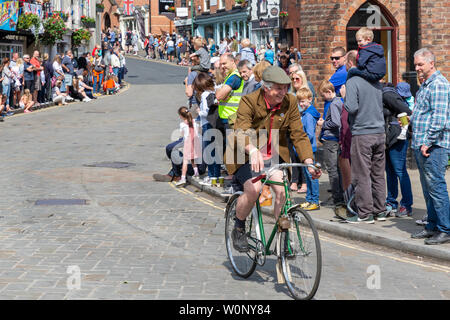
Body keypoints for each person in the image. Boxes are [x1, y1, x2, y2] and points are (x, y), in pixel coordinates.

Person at [225, 66, 321, 252]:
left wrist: (309, 162)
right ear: (266, 88)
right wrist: (252, 150)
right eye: (279, 88)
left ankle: (282, 236)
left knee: (283, 191)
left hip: (273, 155)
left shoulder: (290, 101)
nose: (283, 92)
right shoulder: (249, 101)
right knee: (254, 190)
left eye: (286, 87)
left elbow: (298, 135)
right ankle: (238, 227)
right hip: (243, 153)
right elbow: (241, 130)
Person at [410, 48, 450, 245]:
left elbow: (440, 119)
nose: (417, 68)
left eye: (420, 64)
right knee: (427, 189)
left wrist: (428, 142)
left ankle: (445, 228)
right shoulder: (426, 85)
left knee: (436, 187)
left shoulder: (439, 85)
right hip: (421, 144)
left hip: (434, 146)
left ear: (431, 63)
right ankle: (432, 225)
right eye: (415, 64)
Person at [343, 50, 386, 224]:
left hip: (362, 133)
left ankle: (365, 213)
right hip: (379, 132)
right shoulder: (376, 81)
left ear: (351, 63)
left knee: (361, 174)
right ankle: (380, 210)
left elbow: (352, 108)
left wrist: (344, 97)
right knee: (378, 174)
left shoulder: (353, 81)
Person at [382, 82, 413, 218]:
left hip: (397, 138)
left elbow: (407, 111)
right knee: (390, 172)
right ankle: (391, 202)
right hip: (388, 139)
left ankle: (406, 204)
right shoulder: (380, 94)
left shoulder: (387, 94)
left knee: (400, 171)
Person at [317, 80, 345, 209]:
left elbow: (335, 123)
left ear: (329, 92)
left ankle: (337, 198)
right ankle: (340, 196)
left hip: (331, 140)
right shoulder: (340, 101)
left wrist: (323, 124)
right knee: (337, 169)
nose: (323, 98)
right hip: (337, 140)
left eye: (324, 95)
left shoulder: (334, 104)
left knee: (332, 169)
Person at [193, 72, 222, 186]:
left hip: (207, 124)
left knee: (209, 152)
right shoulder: (214, 91)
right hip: (216, 124)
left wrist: (199, 112)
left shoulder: (205, 95)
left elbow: (206, 111)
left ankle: (211, 177)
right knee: (216, 152)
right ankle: (217, 176)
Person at [296, 87, 321, 210]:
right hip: (307, 148)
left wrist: (301, 139)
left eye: (303, 101)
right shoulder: (306, 113)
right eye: (299, 101)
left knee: (312, 175)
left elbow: (310, 133)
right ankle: (309, 199)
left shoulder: (309, 115)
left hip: (309, 148)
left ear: (310, 100)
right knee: (308, 175)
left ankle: (314, 200)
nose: (301, 104)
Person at [216, 53, 244, 128]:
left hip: (231, 118)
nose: (222, 66)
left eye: (224, 63)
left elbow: (219, 96)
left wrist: (218, 89)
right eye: (221, 64)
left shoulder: (234, 77)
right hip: (229, 117)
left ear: (232, 61)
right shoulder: (231, 75)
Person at [176, 106, 201, 187]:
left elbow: (182, 134)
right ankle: (196, 172)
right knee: (193, 158)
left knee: (185, 161)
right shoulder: (194, 121)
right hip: (196, 142)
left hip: (188, 142)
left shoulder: (182, 124)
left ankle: (183, 178)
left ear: (181, 116)